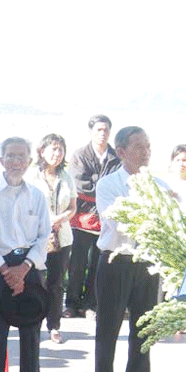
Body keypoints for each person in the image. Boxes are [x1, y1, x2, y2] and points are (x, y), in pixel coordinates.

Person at [0, 137, 53, 372]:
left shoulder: (37, 196)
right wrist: (5, 270)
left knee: (31, 333)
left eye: (21, 157)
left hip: (28, 268)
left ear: (29, 161)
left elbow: (44, 236)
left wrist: (24, 268)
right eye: (10, 156)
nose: (16, 162)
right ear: (1, 160)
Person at [93, 126, 164, 372]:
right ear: (121, 151)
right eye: (138, 147)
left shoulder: (158, 185)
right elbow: (118, 221)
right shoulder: (108, 185)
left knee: (144, 329)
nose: (145, 152)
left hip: (147, 263)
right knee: (108, 328)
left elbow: (171, 217)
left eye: (148, 146)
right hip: (116, 261)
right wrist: (152, 218)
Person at [65, 115, 121, 318]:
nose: (102, 133)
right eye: (98, 129)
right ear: (91, 131)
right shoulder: (80, 155)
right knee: (77, 263)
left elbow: (116, 184)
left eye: (106, 129)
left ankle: (90, 304)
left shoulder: (116, 157)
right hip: (82, 218)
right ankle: (71, 303)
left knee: (98, 264)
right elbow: (80, 184)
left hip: (106, 218)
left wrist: (101, 186)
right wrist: (103, 187)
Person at [31, 134, 77, 343]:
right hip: (37, 236)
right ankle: (33, 323)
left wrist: (60, 219)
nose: (57, 154)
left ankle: (54, 326)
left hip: (62, 237)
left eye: (60, 149)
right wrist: (47, 221)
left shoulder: (67, 177)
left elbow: (73, 207)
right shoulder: (32, 176)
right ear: (42, 151)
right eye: (53, 149)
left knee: (56, 284)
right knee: (36, 282)